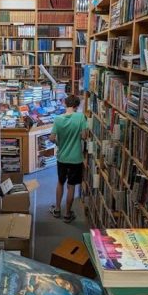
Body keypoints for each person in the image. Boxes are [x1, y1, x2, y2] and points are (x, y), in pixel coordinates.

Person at [49, 95, 88, 223]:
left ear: (65, 104)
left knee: (60, 182)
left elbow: (52, 138)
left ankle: (57, 209)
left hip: (62, 158)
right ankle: (67, 214)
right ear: (76, 106)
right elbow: (84, 136)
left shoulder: (58, 119)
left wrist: (59, 143)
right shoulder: (81, 117)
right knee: (71, 186)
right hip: (76, 158)